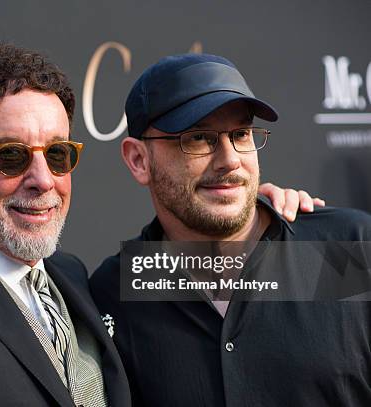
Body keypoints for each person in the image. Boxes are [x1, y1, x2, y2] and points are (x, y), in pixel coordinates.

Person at [0, 43, 320, 406]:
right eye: (12, 156)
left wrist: (255, 216)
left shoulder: (75, 278)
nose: (43, 180)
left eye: (59, 155)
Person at [89, 53, 371, 406]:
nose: (230, 160)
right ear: (138, 160)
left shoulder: (349, 248)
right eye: (198, 138)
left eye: (241, 134)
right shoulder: (116, 289)